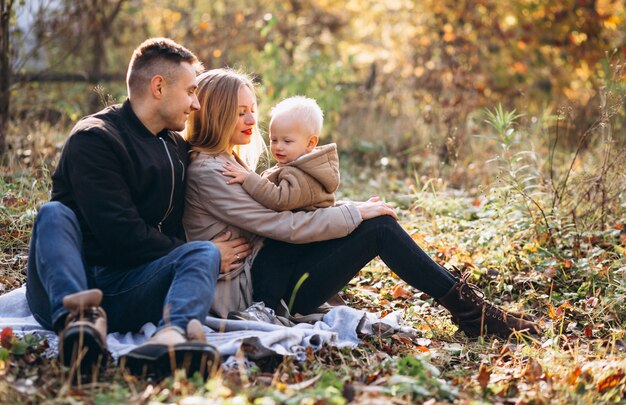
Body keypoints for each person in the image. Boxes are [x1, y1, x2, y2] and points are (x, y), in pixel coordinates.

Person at [182, 68, 540, 339]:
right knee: (379, 228)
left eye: (251, 110)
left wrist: (353, 209)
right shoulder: (211, 171)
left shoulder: (228, 162)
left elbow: (283, 213)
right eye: (240, 111)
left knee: (377, 223)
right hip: (256, 293)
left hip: (272, 270)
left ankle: (470, 309)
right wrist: (353, 213)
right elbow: (282, 226)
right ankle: (470, 312)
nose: (251, 120)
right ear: (216, 113)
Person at [25, 38, 251, 380]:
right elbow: (121, 236)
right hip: (71, 283)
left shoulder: (175, 146)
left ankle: (170, 338)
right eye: (191, 91)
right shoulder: (95, 138)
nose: (196, 104)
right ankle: (80, 325)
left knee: (203, 253)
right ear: (158, 87)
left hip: (130, 289)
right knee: (53, 214)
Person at [222, 95, 339, 211]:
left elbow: (280, 200)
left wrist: (249, 179)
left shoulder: (305, 175)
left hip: (305, 228)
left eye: (287, 141)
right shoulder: (293, 166)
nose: (278, 147)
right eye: (273, 140)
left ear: (310, 143)